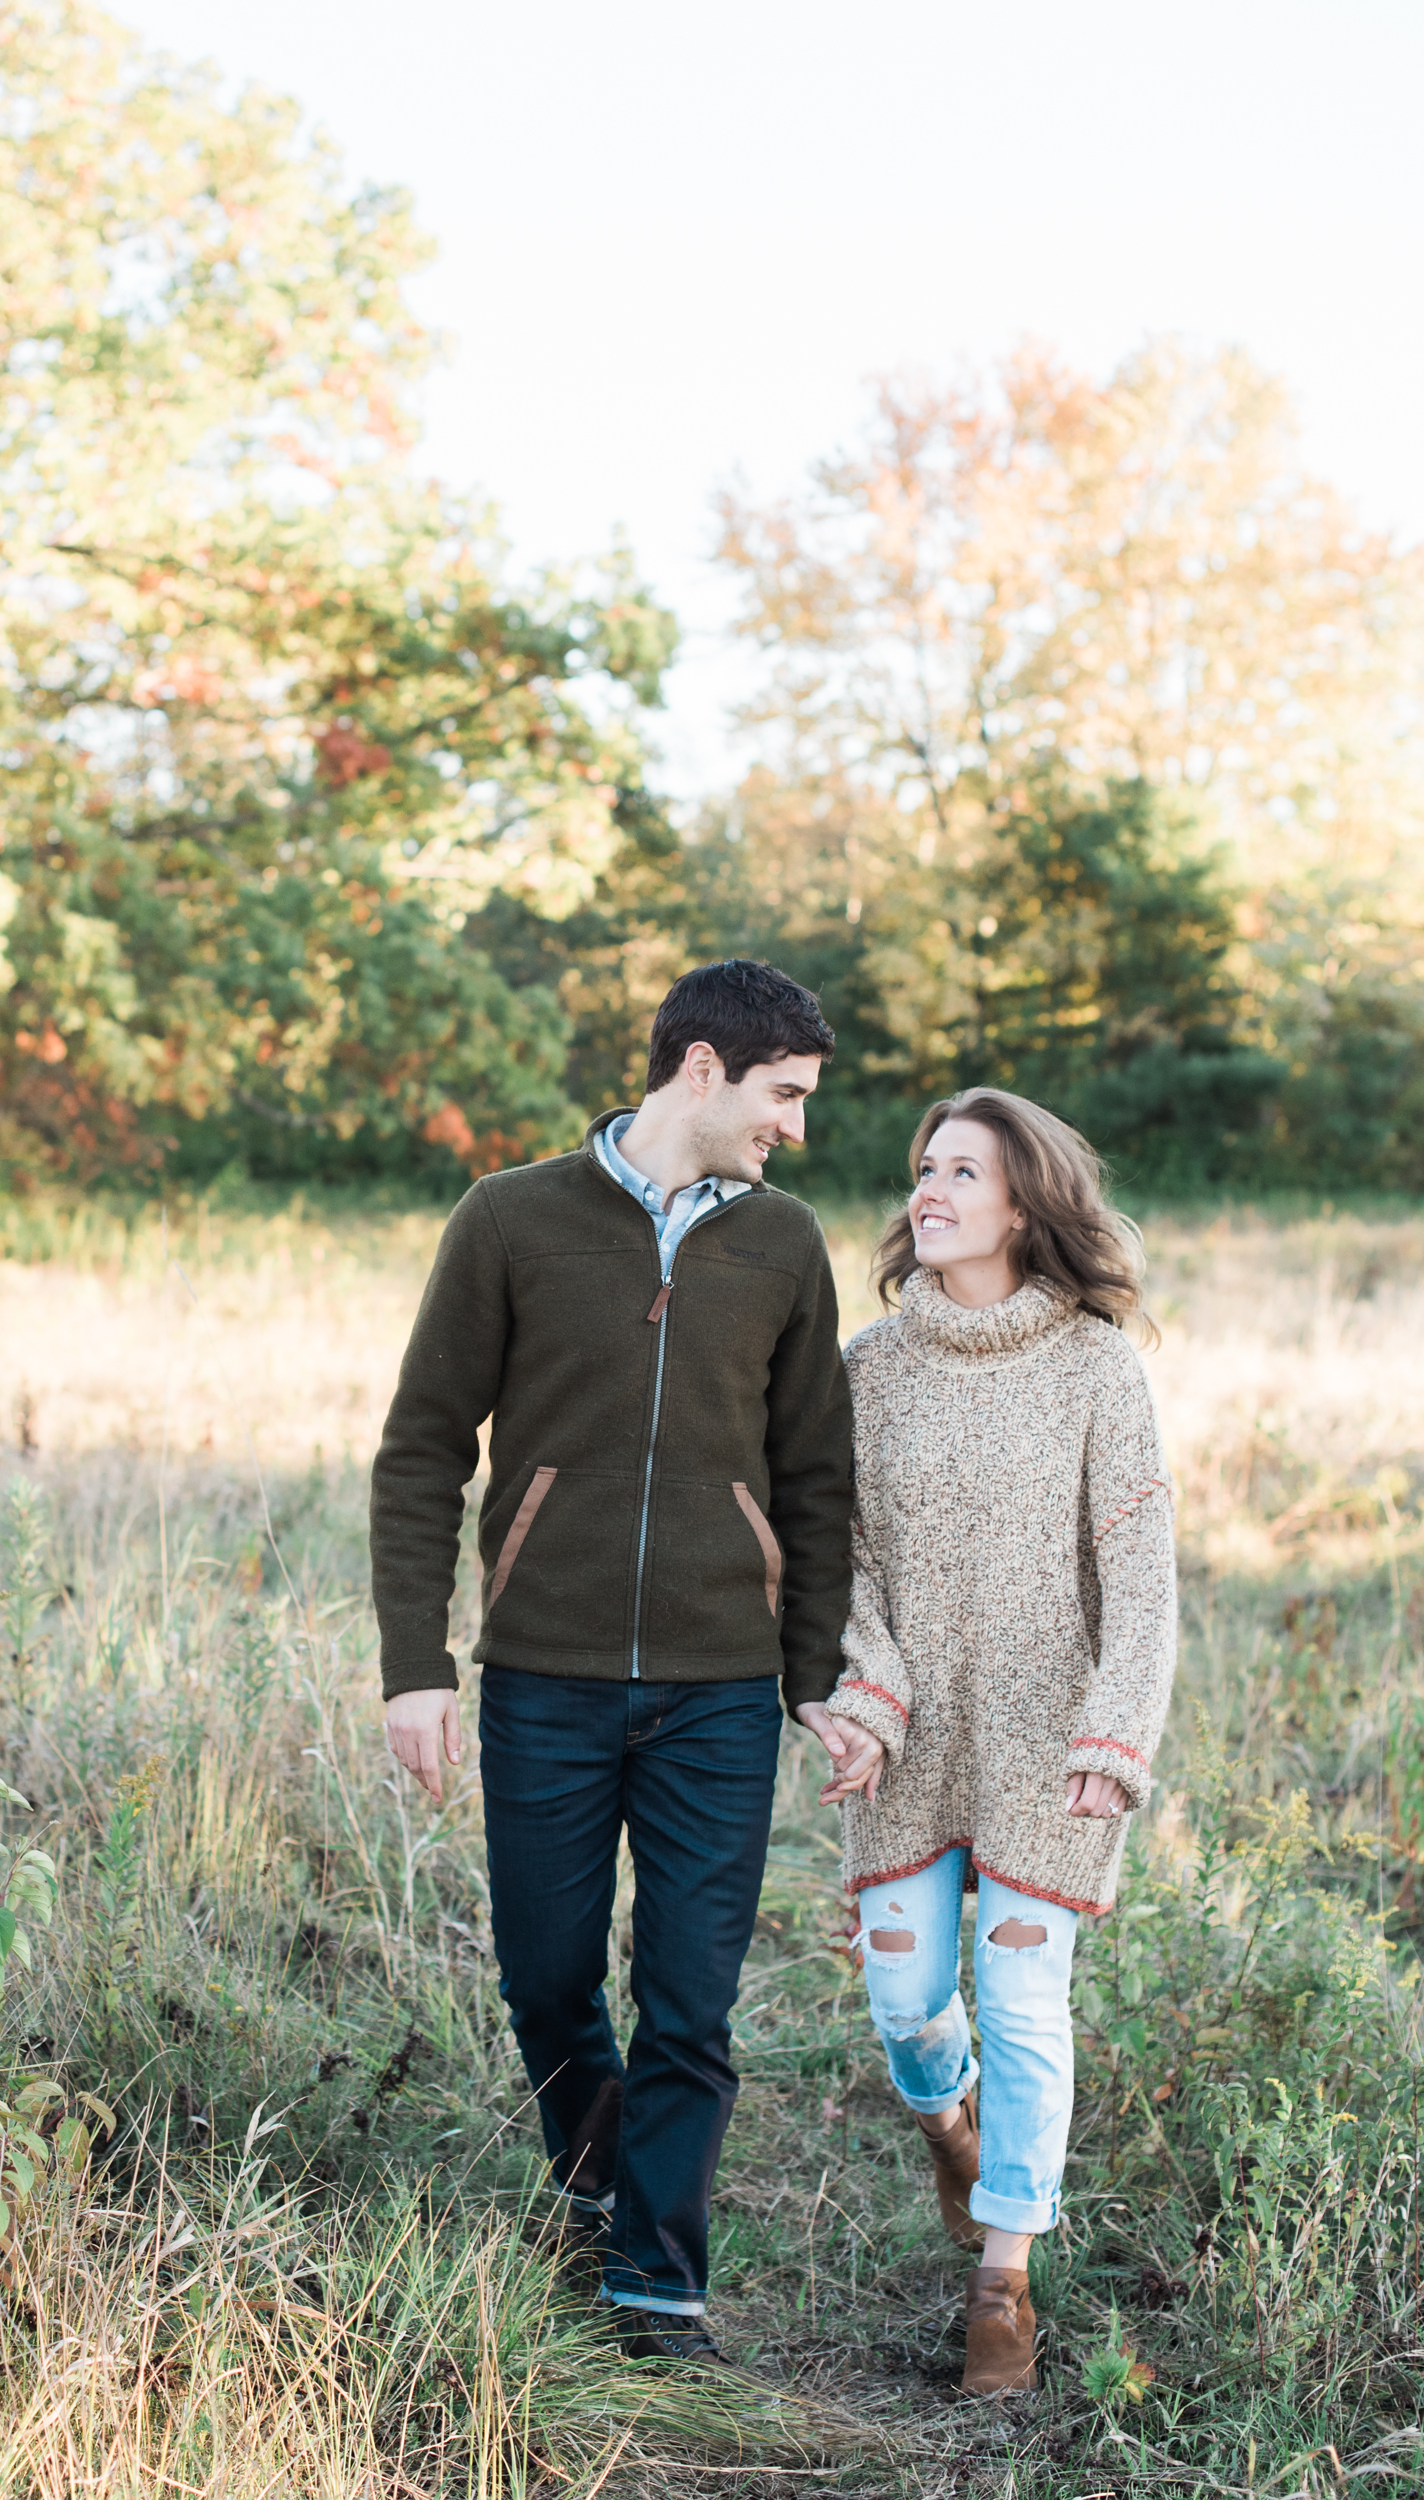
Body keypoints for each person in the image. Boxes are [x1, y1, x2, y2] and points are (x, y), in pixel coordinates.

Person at [372, 960, 874, 2363]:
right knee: (543, 1977)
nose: (795, 1127)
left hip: (719, 1687)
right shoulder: (509, 1220)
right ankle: (599, 2176)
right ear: (701, 1067)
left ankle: (656, 2280)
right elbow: (421, 1448)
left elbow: (812, 1474)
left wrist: (812, 1674)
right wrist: (416, 1664)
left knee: (690, 2001)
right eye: (782, 1095)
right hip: (544, 1677)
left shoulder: (783, 1245)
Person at [816, 1087, 1178, 2397]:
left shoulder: (1095, 1367)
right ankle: (944, 2120)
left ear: (1023, 1202)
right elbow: (832, 1558)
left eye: (959, 1172)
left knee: (1025, 2007)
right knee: (907, 1999)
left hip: (1048, 1749)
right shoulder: (867, 1370)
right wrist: (868, 1686)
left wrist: (1114, 1729)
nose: (928, 1190)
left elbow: (1138, 1577)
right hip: (903, 1743)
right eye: (923, 1169)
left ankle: (1000, 2287)